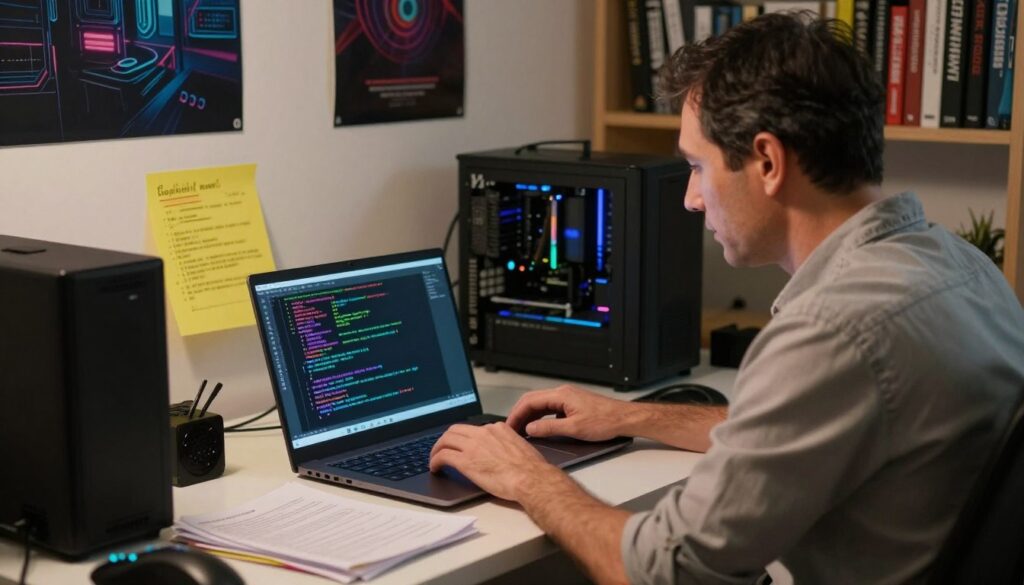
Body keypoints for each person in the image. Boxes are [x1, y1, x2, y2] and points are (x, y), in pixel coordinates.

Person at [429, 12, 1024, 585]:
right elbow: (800, 430)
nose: (690, 199)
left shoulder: (834, 330)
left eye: (697, 165)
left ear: (767, 161)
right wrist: (633, 417)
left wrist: (526, 476)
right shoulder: (959, 264)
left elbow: (668, 572)